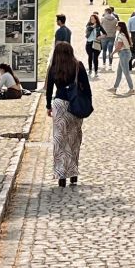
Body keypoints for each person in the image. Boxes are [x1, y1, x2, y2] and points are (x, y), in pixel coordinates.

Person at [44, 41, 90, 188]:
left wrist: (48, 106)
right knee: (74, 140)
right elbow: (87, 88)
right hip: (75, 105)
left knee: (59, 140)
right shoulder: (78, 66)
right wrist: (87, 103)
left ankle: (61, 175)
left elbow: (49, 90)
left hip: (59, 104)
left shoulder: (54, 68)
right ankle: (73, 173)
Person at [110, 22, 135, 95]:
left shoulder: (121, 35)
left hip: (123, 54)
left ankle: (131, 89)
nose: (116, 27)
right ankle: (114, 88)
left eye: (117, 26)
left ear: (120, 27)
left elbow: (119, 47)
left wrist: (112, 53)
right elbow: (131, 44)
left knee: (126, 73)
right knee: (119, 72)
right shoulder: (125, 34)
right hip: (125, 54)